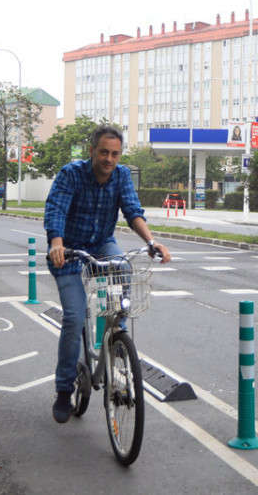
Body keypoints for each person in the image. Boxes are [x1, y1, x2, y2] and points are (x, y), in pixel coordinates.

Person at [45, 125, 172, 424]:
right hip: (69, 251)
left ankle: (116, 337)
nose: (109, 159)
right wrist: (57, 243)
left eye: (115, 153)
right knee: (75, 317)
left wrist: (151, 242)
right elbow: (56, 210)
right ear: (91, 151)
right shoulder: (71, 174)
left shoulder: (121, 175)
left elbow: (132, 211)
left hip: (102, 244)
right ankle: (64, 391)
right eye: (103, 152)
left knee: (124, 269)